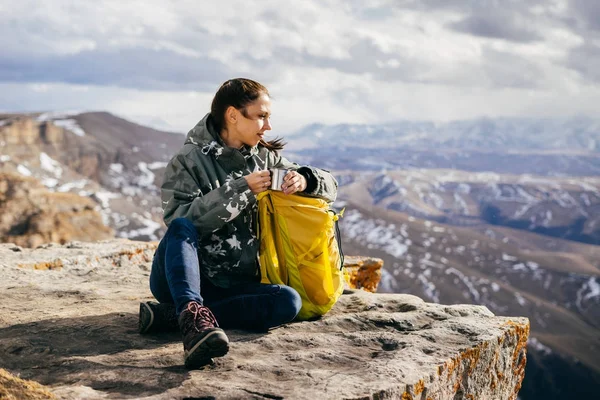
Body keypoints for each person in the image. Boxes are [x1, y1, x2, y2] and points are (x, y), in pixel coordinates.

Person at [141, 78, 338, 369]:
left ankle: (177, 316)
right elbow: (179, 220)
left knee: (288, 302)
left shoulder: (265, 158)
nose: (267, 127)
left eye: (268, 117)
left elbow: (331, 187)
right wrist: (240, 189)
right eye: (261, 116)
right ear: (233, 115)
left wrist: (306, 179)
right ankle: (193, 317)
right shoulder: (188, 159)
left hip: (235, 286)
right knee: (181, 227)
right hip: (179, 278)